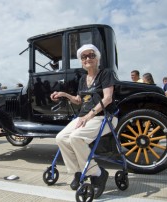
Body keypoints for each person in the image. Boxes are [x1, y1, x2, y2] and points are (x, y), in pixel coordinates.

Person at [50, 44, 118, 199]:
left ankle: (97, 174)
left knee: (76, 138)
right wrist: (63, 94)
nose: (88, 59)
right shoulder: (82, 79)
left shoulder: (105, 74)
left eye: (91, 55)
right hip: (85, 117)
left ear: (97, 58)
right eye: (84, 56)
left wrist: (88, 117)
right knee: (60, 138)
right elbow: (79, 100)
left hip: (105, 117)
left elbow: (107, 98)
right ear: (81, 61)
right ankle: (78, 171)